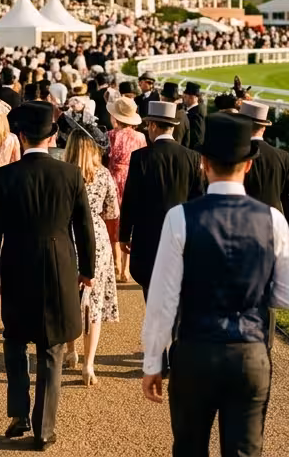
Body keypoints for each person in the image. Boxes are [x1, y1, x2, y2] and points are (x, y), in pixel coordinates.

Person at [140, 113, 289, 456]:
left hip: (196, 350)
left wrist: (153, 361)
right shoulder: (273, 219)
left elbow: (163, 300)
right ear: (249, 165)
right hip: (249, 351)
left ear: (204, 163)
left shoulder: (180, 217)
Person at [0, 102, 95, 450]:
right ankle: (44, 428)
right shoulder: (70, 174)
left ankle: (19, 413)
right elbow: (84, 228)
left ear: (21, 135)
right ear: (53, 135)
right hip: (59, 262)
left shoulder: (5, 176)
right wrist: (87, 270)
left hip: (17, 260)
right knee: (52, 345)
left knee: (15, 338)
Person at [119, 101, 205, 297]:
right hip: (181, 234)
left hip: (147, 236)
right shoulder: (192, 157)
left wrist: (124, 234)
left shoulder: (140, 157)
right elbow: (198, 199)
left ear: (153, 125)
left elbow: (130, 199)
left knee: (151, 291)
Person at [62, 129, 119, 387]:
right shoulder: (104, 174)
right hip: (96, 236)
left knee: (69, 297)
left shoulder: (64, 173)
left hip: (68, 234)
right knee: (93, 303)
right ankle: (89, 364)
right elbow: (112, 211)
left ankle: (70, 350)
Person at [238, 100, 289, 244]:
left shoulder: (235, 154)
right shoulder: (282, 156)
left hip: (242, 224)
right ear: (264, 128)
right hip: (274, 226)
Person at [105, 97, 145, 283]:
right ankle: (125, 268)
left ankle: (115, 263)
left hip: (112, 178)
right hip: (131, 179)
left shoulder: (110, 135)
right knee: (127, 220)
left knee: (112, 220)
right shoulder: (140, 137)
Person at [181, 82, 206, 152]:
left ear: (192, 97)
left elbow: (196, 137)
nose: (184, 99)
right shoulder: (192, 110)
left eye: (185, 97)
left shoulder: (196, 114)